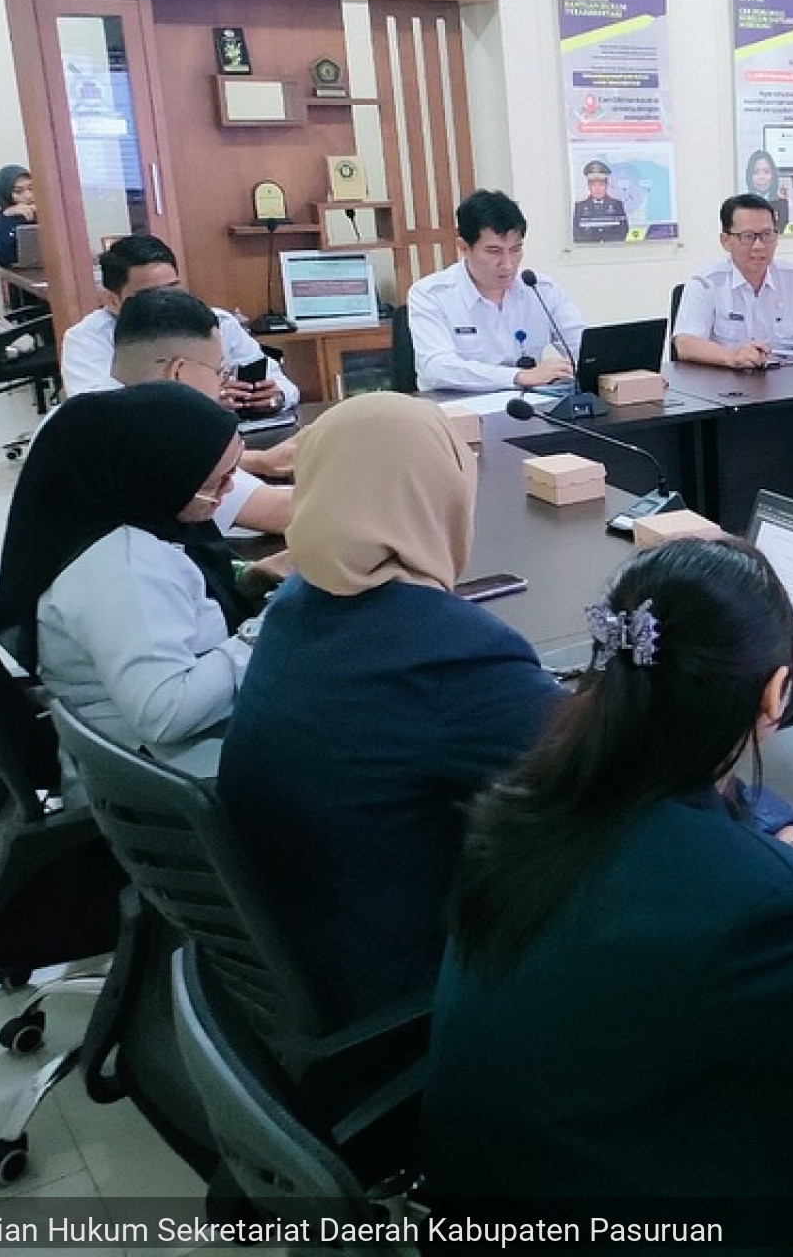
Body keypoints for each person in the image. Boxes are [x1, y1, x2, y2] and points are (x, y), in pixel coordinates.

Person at [423, 539, 793, 1248]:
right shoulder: (741, 907)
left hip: (517, 1192)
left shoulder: (538, 798)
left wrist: (776, 849)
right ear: (774, 693)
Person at [219, 394, 563, 1027]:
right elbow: (605, 770)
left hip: (310, 950)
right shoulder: (446, 650)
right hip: (414, 989)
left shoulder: (297, 602)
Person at [0, 385, 263, 765]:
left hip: (149, 747)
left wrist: (253, 577)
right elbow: (165, 715)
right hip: (162, 773)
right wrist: (262, 633)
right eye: (215, 481)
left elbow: (181, 595)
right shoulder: (122, 569)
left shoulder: (102, 517)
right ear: (156, 474)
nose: (228, 488)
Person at [108, 287, 293, 536]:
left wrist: (258, 461)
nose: (221, 383)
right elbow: (287, 513)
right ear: (178, 372)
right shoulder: (162, 433)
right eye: (219, 372)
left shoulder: (73, 415)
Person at [60, 233, 298, 414]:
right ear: (113, 300)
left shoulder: (216, 323)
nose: (167, 301)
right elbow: (97, 414)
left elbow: (285, 386)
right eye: (150, 294)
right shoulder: (85, 340)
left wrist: (274, 399)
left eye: (173, 288)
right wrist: (203, 402)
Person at [406, 188, 588, 392]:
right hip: (459, 409)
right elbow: (437, 368)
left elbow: (583, 348)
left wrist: (574, 366)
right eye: (494, 251)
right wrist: (518, 376)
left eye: (515, 249)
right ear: (464, 248)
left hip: (528, 408)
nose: (508, 264)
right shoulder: (431, 294)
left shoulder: (540, 290)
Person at [671, 193, 793, 367]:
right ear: (725, 241)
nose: (759, 246)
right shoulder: (706, 283)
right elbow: (685, 343)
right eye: (748, 237)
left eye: (766, 235)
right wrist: (731, 356)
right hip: (727, 389)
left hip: (786, 387)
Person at [0, 164, 35, 268]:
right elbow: (2, 257)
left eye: (31, 188)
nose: (29, 196)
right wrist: (9, 220)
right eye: (18, 192)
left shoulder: (50, 214)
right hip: (22, 280)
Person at [570, 159, 629, 243]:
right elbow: (576, 233)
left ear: (606, 185)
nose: (598, 189)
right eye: (593, 185)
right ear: (589, 186)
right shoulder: (579, 207)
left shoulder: (617, 205)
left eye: (601, 185)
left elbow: (623, 231)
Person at [744, 146, 790, 233]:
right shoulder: (743, 205)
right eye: (756, 172)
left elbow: (783, 230)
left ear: (773, 175)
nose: (762, 177)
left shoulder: (782, 203)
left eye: (766, 172)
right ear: (749, 176)